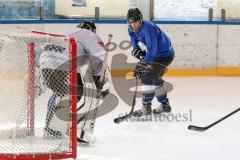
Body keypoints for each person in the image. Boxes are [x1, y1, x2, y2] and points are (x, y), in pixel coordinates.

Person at [39, 21, 108, 142]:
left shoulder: (67, 33)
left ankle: (53, 128)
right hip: (65, 64)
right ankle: (80, 131)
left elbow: (41, 51)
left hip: (45, 63)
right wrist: (98, 80)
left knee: (60, 94)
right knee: (86, 95)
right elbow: (99, 57)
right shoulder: (89, 34)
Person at [127, 8, 175, 117]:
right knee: (154, 78)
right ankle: (165, 105)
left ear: (141, 20)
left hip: (165, 55)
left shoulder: (148, 28)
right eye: (131, 23)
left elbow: (152, 51)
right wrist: (138, 52)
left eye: (136, 22)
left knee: (147, 77)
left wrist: (143, 63)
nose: (134, 25)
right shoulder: (130, 29)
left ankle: (146, 107)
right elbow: (135, 44)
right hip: (156, 55)